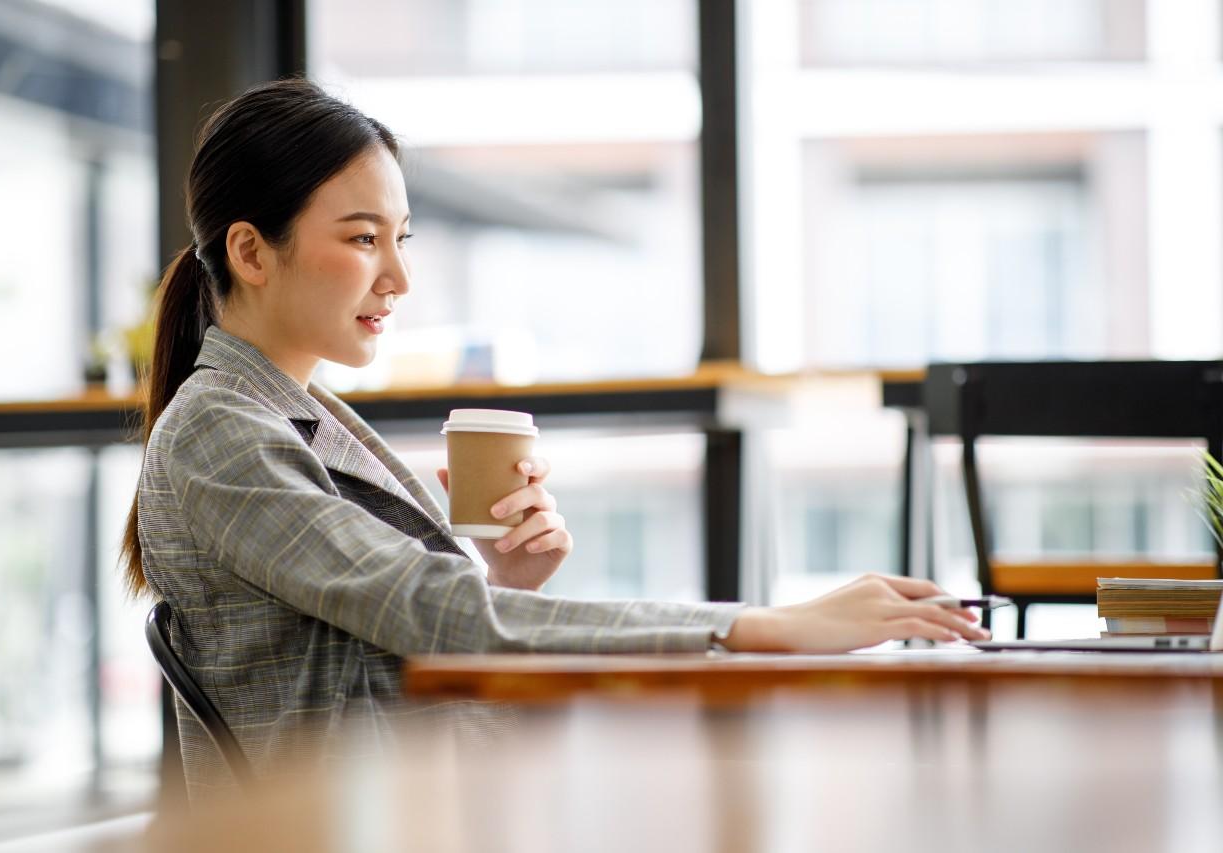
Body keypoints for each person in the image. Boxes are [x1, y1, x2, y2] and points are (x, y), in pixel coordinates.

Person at [121, 77, 988, 797]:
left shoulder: (286, 413)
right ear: (250, 250)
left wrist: (509, 578)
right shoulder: (221, 432)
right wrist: (760, 626)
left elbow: (408, 621)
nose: (400, 275)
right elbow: (424, 609)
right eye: (362, 238)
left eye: (402, 238)